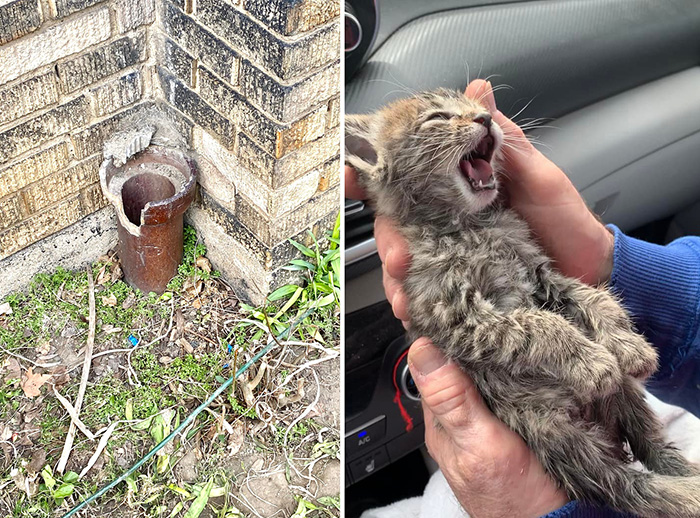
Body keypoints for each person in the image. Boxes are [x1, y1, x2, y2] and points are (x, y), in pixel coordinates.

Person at [345, 79, 700, 518]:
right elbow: (472, 331)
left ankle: (661, 459)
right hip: (529, 402)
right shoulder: (427, 260)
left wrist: (610, 324)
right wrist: (565, 343)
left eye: (475, 113)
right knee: (558, 437)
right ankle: (641, 495)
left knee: (627, 398)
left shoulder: (504, 225)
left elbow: (557, 285)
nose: (478, 118)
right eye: (440, 120)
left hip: (589, 373)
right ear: (379, 159)